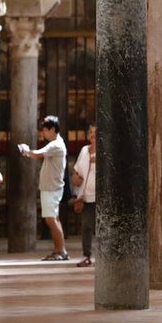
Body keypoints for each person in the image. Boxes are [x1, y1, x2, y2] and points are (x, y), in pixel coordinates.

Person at [17, 114, 70, 261]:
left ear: (52, 129)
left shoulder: (56, 145)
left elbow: (38, 154)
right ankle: (59, 250)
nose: (43, 133)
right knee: (53, 219)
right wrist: (29, 152)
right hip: (51, 187)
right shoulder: (56, 143)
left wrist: (26, 150)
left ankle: (61, 251)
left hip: (52, 188)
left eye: (45, 130)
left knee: (51, 219)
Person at [71, 122, 98, 267]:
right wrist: (75, 176)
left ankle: (105, 257)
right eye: (91, 132)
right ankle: (86, 256)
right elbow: (76, 169)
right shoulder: (84, 150)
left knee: (101, 229)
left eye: (95, 132)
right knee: (86, 227)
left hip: (100, 197)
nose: (92, 135)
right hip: (85, 196)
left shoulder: (105, 152)